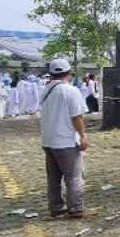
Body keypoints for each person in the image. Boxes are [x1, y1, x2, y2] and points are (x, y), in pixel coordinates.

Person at [39, 59, 88, 218]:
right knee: (74, 175)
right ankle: (75, 207)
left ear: (52, 74)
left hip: (48, 140)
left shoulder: (46, 90)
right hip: (65, 141)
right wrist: (83, 135)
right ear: (69, 73)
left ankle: (56, 207)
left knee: (53, 177)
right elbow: (77, 116)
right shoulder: (71, 91)